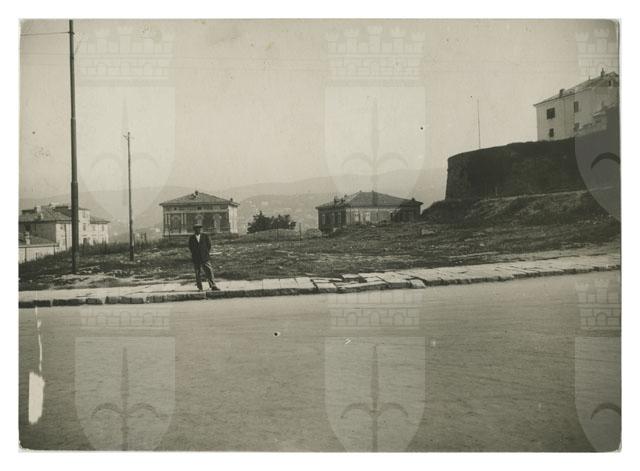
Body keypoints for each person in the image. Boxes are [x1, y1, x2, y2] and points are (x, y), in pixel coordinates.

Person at [188, 222, 218, 291]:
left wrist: (205, 253)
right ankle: (200, 287)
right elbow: (191, 247)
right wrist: (195, 254)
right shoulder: (191, 238)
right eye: (196, 229)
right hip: (196, 258)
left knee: (209, 271)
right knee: (197, 273)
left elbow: (209, 245)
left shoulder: (205, 236)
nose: (198, 230)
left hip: (205, 257)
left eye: (199, 229)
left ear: (201, 229)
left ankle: (213, 285)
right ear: (194, 230)